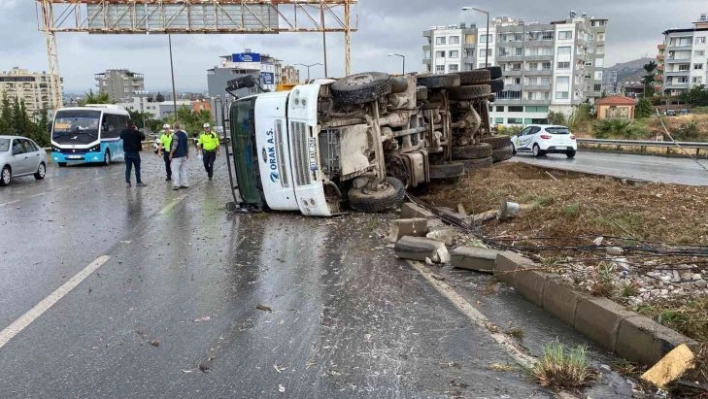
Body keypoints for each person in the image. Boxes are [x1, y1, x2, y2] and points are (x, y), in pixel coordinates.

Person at [120, 120, 147, 187]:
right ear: (133, 125)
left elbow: (121, 136)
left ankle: (127, 182)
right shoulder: (136, 132)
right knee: (137, 168)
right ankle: (138, 182)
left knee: (128, 168)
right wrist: (137, 130)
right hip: (135, 153)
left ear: (127, 124)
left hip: (127, 153)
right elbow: (143, 137)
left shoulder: (124, 132)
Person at [169, 123, 190, 190]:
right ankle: (185, 183)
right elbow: (186, 145)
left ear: (174, 127)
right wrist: (187, 153)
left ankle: (177, 184)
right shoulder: (184, 134)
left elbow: (174, 145)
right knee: (183, 170)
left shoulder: (175, 135)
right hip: (183, 155)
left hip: (177, 156)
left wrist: (171, 153)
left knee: (175, 170)